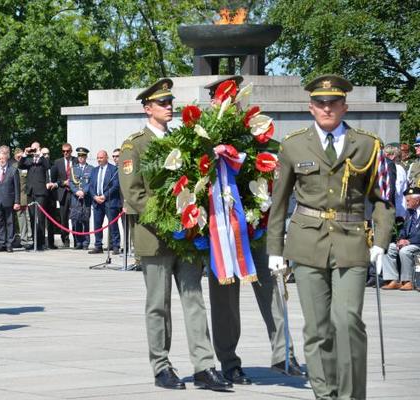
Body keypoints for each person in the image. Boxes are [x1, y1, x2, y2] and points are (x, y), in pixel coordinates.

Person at [267, 75, 394, 400]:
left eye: (333, 102)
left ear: (344, 106)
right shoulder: (293, 145)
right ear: (311, 107)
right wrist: (274, 249)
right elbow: (278, 202)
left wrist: (380, 241)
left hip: (352, 241)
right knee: (317, 329)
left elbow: (382, 201)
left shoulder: (367, 144)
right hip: (306, 243)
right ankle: (325, 395)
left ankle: (352, 396)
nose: (327, 108)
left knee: (348, 321)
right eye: (320, 103)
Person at [118, 78, 230, 391]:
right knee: (158, 304)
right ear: (147, 108)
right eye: (162, 103)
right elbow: (134, 193)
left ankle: (205, 366)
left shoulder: (183, 139)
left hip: (188, 234)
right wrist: (169, 219)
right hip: (155, 235)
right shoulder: (134, 145)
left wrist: (192, 217)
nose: (169, 107)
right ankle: (161, 366)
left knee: (194, 299)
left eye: (170, 102)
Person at [201, 76, 304, 385]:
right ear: (214, 102)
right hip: (223, 234)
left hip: (258, 228)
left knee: (273, 293)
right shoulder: (203, 138)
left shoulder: (256, 136)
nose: (232, 103)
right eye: (225, 98)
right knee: (225, 304)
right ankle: (229, 362)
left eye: (235, 98)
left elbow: (275, 176)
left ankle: (284, 356)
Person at [381, 186, 420, 290]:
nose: (406, 203)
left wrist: (409, 241)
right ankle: (392, 280)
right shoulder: (409, 212)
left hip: (417, 244)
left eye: (408, 201)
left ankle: (408, 281)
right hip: (408, 243)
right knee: (388, 248)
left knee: (405, 251)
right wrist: (400, 240)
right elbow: (404, 229)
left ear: (417, 200)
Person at [18, 142, 53, 251]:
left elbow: (48, 166)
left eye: (35, 149)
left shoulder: (43, 160)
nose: (33, 150)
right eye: (32, 149)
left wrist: (40, 154)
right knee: (32, 217)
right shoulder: (28, 160)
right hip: (30, 192)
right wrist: (25, 153)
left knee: (41, 218)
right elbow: (20, 165)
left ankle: (41, 242)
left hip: (41, 192)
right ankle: (34, 241)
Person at [88, 150, 121, 255]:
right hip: (97, 202)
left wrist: (105, 196)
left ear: (106, 157)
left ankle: (116, 246)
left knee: (113, 224)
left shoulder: (114, 169)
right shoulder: (94, 170)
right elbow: (90, 185)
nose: (99, 160)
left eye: (101, 158)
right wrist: (94, 196)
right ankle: (98, 246)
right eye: (98, 158)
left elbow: (116, 185)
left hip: (110, 202)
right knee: (97, 224)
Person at [0, 151, 20, 252]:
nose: (1, 160)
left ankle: (9, 244)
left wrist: (17, 202)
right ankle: (1, 243)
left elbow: (17, 188)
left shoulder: (13, 170)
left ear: (7, 158)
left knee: (10, 222)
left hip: (10, 201)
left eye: (3, 158)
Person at [50, 143, 76, 248]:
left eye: (68, 151)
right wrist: (63, 183)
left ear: (71, 151)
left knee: (75, 217)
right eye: (64, 151)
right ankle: (65, 239)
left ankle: (77, 240)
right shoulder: (57, 162)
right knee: (63, 217)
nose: (65, 153)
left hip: (74, 193)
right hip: (63, 193)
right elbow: (54, 179)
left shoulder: (76, 160)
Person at [69, 147, 93, 250]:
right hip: (76, 197)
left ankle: (86, 242)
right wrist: (76, 191)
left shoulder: (91, 169)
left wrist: (84, 191)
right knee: (76, 220)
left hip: (86, 197)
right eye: (79, 156)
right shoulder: (73, 168)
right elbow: (70, 182)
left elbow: (91, 183)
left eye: (83, 156)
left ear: (86, 157)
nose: (81, 158)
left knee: (85, 219)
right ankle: (78, 242)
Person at [12, 148, 33, 246]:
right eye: (18, 157)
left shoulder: (27, 165)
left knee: (29, 217)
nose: (20, 158)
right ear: (15, 157)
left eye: (21, 156)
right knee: (21, 218)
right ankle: (24, 239)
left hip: (28, 195)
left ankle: (30, 237)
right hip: (18, 195)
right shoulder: (13, 167)